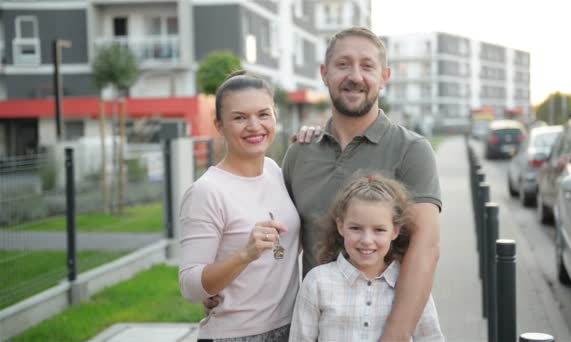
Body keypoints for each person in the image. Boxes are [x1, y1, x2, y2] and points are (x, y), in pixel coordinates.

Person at [282, 27, 442, 341]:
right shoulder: (299, 152)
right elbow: (281, 243)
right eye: (343, 65)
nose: (355, 76)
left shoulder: (411, 150)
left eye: (367, 66)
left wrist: (393, 337)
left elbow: (427, 248)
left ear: (384, 76)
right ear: (325, 73)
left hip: (385, 327)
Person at [178, 70, 300, 341]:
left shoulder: (274, 171)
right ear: (219, 126)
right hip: (236, 335)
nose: (254, 126)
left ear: (275, 117)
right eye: (239, 118)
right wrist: (245, 254)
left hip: (291, 326)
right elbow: (189, 286)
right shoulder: (207, 191)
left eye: (263, 114)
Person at [288, 174, 444, 341]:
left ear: (395, 231)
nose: (367, 240)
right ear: (341, 226)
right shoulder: (317, 282)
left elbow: (431, 337)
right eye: (356, 228)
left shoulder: (410, 284)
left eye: (379, 230)